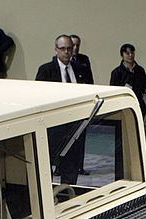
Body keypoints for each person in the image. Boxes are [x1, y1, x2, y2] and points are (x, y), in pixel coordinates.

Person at [36, 35, 87, 185]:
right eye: (63, 48)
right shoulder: (46, 70)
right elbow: (40, 96)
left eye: (69, 48)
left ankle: (69, 194)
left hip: (75, 126)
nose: (66, 52)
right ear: (56, 49)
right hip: (54, 128)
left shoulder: (81, 69)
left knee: (71, 165)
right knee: (48, 164)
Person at [109, 43, 146, 118]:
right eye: (127, 53)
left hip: (138, 104)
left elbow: (144, 85)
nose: (130, 55)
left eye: (132, 53)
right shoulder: (116, 72)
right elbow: (113, 90)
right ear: (122, 55)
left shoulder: (140, 70)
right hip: (123, 106)